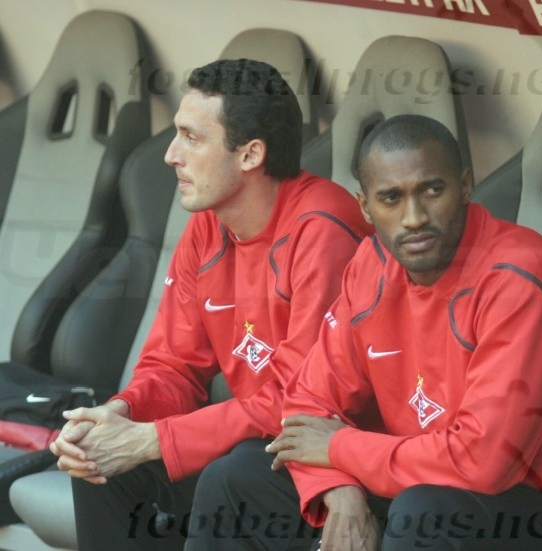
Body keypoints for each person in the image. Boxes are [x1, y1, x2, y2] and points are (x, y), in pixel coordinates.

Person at [217, 114, 542, 551]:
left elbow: (483, 462)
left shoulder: (519, 280)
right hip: (437, 482)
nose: (414, 217)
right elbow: (308, 405)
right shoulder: (371, 264)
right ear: (365, 207)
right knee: (239, 477)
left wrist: (338, 447)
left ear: (466, 185)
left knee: (425, 515)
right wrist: (338, 489)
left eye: (432, 190)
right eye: (391, 198)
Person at [48, 58, 373, 550]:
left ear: (251, 154)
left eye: (191, 138)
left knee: (233, 470)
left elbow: (302, 401)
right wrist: (118, 415)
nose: (170, 155)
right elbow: (172, 366)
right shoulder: (209, 221)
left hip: (331, 463)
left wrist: (156, 440)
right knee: (100, 461)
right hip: (255, 442)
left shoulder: (323, 229)